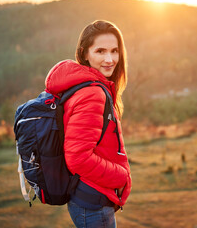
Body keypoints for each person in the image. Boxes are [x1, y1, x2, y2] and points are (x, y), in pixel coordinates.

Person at [44, 20, 132, 228]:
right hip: (93, 201)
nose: (110, 59)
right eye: (100, 51)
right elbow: (78, 157)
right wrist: (120, 176)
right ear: (84, 54)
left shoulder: (89, 86)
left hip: (90, 196)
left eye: (114, 51)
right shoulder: (93, 93)